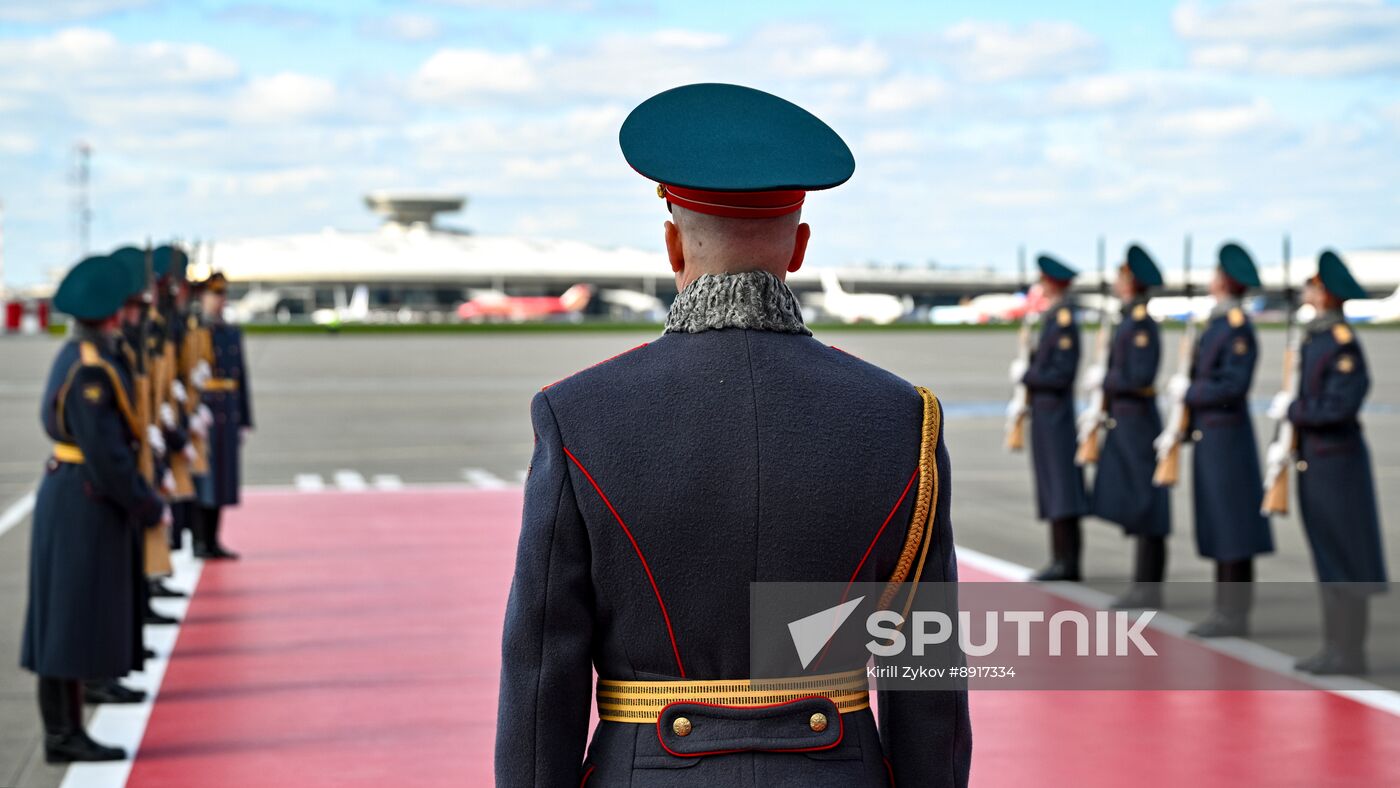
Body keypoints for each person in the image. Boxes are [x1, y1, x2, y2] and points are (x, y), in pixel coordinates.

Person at [495, 83, 970, 787]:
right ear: (799, 246)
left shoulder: (577, 414)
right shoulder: (903, 419)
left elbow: (542, 674)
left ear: (671, 243)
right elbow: (927, 685)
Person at [20, 255, 169, 762]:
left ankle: (70, 723)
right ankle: (62, 734)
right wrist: (147, 506)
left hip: (79, 494)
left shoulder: (87, 354)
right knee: (65, 621)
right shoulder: (90, 368)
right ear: (110, 316)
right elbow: (105, 455)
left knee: (76, 615)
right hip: (84, 497)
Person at [1273, 250, 1387, 674]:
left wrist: (1294, 410)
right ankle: (1335, 647)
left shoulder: (1341, 343)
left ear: (1324, 293)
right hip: (1316, 461)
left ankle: (1348, 651)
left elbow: (1339, 407)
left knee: (1345, 556)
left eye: (1312, 285)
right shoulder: (1317, 337)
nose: (1306, 291)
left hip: (1336, 464)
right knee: (1328, 556)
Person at [1171, 243, 1274, 637]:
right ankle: (1226, 609)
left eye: (1217, 275)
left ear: (1226, 282)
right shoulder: (1217, 323)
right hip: (1212, 435)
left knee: (1232, 526)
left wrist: (1190, 392)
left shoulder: (1235, 327)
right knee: (1220, 522)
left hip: (1226, 438)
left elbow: (1232, 385)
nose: (1211, 281)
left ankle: (1234, 613)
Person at [1085, 245, 1170, 608]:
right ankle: (1143, 585)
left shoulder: (1140, 326)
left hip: (1137, 422)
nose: (1118, 283)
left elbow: (1138, 377)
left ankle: (1148, 587)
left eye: (1122, 278)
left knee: (1147, 503)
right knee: (1134, 500)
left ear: (1132, 282)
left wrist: (1106, 380)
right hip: (1126, 419)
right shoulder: (1127, 320)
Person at [1016, 255, 1090, 581]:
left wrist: (1028, 375)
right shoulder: (1052, 318)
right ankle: (1060, 557)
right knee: (1052, 485)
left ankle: (1067, 561)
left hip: (1056, 414)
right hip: (1046, 413)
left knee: (1062, 488)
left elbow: (1061, 374)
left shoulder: (1062, 322)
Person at [193, 271, 251, 559]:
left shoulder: (230, 332)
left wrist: (245, 419)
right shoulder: (193, 331)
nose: (220, 301)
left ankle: (213, 539)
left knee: (223, 480)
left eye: (222, 295)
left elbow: (241, 377)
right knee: (204, 480)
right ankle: (199, 540)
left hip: (226, 411)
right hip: (204, 410)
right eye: (214, 295)